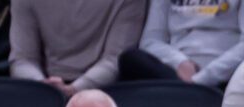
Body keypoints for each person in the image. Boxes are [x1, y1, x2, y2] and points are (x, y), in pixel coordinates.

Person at [122, 0, 244, 87]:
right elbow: (150, 41)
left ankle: (186, 94)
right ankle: (186, 94)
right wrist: (180, 62)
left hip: (226, 73)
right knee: (130, 59)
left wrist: (204, 78)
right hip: (175, 73)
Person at [10, 0, 146, 93]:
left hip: (106, 89)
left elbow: (116, 58)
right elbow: (22, 58)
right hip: (45, 86)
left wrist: (76, 89)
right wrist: (43, 87)